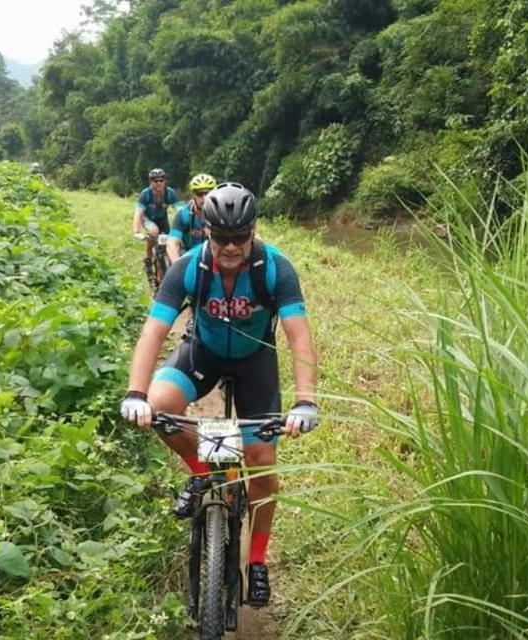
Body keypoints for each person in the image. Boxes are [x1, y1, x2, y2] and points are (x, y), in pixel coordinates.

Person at [119, 182, 320, 607]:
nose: (230, 247)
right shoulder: (189, 268)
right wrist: (135, 392)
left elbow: (299, 338)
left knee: (261, 460)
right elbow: (153, 332)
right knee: (160, 407)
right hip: (204, 353)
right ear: (206, 231)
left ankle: (259, 560)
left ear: (253, 231)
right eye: (221, 238)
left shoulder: (275, 268)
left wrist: (306, 400)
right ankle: (203, 470)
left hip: (255, 364)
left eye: (240, 238)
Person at [132, 168, 178, 280]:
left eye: (161, 180)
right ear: (150, 182)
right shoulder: (145, 194)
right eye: (155, 180)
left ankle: (164, 269)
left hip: (162, 219)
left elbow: (180, 210)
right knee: (154, 232)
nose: (158, 183)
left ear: (165, 181)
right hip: (147, 218)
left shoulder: (170, 193)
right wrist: (136, 231)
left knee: (169, 241)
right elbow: (138, 213)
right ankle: (148, 259)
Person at [167, 173, 216, 264]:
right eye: (200, 194)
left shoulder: (220, 214)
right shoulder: (183, 214)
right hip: (189, 257)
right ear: (193, 195)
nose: (204, 198)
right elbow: (172, 244)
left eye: (208, 193)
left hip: (213, 257)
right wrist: (177, 268)